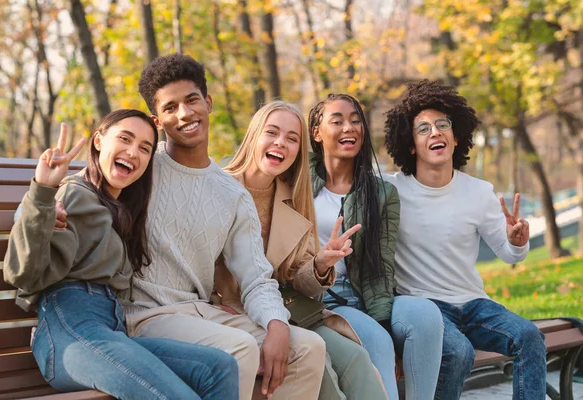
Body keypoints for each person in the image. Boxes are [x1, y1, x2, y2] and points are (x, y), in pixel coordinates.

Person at [122, 54, 326, 400]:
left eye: (191, 100)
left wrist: (277, 323)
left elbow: (255, 276)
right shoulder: (141, 167)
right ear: (158, 120)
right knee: (242, 349)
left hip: (198, 313)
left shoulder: (231, 193)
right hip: (144, 316)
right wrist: (51, 204)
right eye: (170, 108)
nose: (185, 114)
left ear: (208, 102)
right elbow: (79, 188)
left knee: (307, 347)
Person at [4, 110, 239, 399]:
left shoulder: (122, 210)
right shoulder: (73, 194)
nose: (133, 152)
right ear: (99, 141)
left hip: (111, 330)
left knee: (219, 367)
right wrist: (41, 194)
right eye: (125, 139)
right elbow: (22, 274)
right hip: (72, 331)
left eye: (144, 148)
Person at [214, 100, 389, 400]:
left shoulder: (295, 198)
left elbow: (297, 280)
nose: (281, 143)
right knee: (321, 368)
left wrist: (321, 264)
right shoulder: (217, 187)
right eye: (272, 132)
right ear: (254, 135)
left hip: (289, 309)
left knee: (357, 361)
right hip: (231, 312)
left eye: (292, 139)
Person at [383, 80, 546, 400]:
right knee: (459, 352)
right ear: (411, 144)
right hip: (424, 307)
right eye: (423, 128)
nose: (435, 132)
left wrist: (516, 241)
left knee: (529, 336)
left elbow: (511, 255)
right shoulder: (391, 190)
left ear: (457, 137)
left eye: (443, 125)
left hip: (474, 305)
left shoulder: (479, 192)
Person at [308, 93, 444, 400]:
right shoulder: (297, 184)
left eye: (356, 121)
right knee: (377, 342)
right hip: (324, 300)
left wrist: (383, 322)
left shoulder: (382, 193)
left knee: (425, 314)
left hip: (367, 296)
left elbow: (381, 267)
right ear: (317, 132)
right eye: (337, 120)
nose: (349, 128)